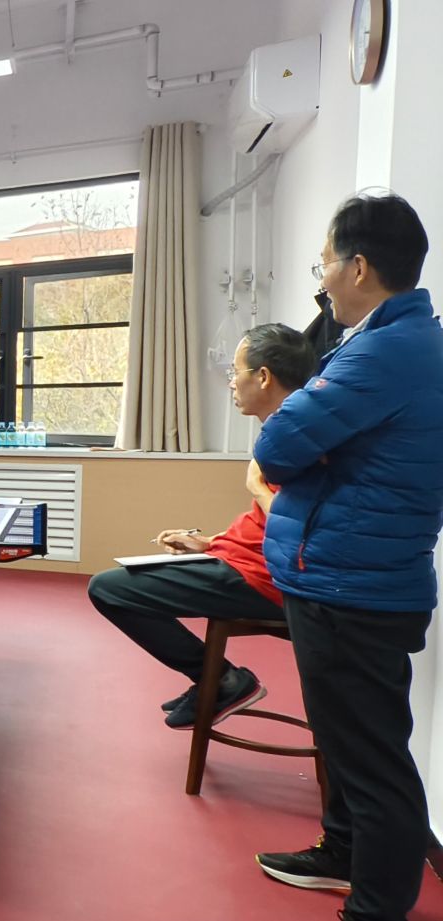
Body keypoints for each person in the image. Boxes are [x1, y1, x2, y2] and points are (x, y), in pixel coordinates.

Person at [251, 192, 440, 921]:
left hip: (352, 584)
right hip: (352, 574)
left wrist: (316, 447)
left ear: (358, 267)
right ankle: (343, 851)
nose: (323, 279)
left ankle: (377, 905)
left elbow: (276, 446)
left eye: (325, 263)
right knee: (349, 738)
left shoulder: (384, 352)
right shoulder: (396, 341)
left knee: (371, 755)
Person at [86, 324, 314, 729]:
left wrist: (256, 485)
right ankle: (215, 679)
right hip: (245, 563)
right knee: (119, 582)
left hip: (265, 581)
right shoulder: (285, 428)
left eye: (236, 372)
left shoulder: (298, 438)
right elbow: (265, 523)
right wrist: (209, 543)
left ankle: (221, 680)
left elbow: (300, 527)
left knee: (108, 589)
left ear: (263, 377)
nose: (231, 383)